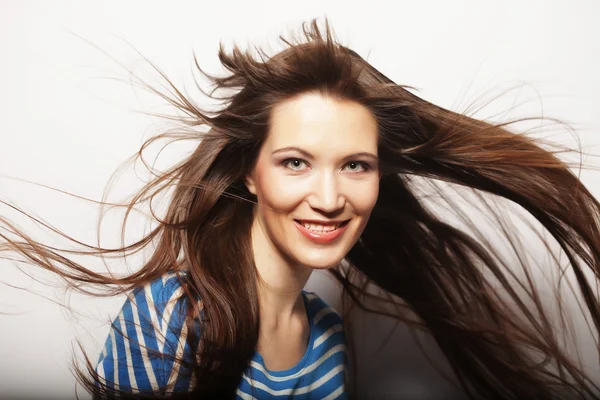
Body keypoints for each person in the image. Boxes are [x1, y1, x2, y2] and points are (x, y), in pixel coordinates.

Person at [2, 17, 600, 399]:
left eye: (355, 165)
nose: (330, 197)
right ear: (249, 173)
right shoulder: (170, 321)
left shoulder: (327, 340)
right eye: (295, 162)